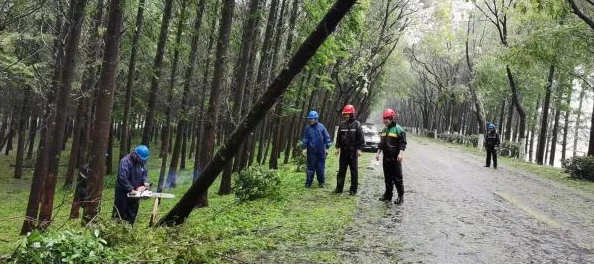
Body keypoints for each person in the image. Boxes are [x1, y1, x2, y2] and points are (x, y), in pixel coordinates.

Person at [112, 145, 150, 224]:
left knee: (132, 214)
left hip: (135, 194)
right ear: (135, 154)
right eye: (140, 159)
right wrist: (130, 189)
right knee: (120, 213)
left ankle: (129, 231)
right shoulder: (125, 161)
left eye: (142, 160)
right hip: (123, 193)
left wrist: (145, 183)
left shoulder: (142, 162)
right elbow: (122, 177)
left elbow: (144, 173)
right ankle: (115, 231)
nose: (141, 161)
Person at [376, 109, 407, 204]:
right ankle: (388, 195)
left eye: (387, 118)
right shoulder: (384, 130)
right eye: (384, 118)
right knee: (387, 178)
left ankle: (400, 197)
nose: (385, 120)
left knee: (397, 178)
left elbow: (402, 143)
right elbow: (381, 143)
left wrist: (400, 154)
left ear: (392, 118)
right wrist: (378, 153)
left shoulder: (399, 129)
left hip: (395, 158)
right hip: (386, 158)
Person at [334, 104, 365, 195]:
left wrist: (359, 149)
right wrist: (337, 148)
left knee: (354, 172)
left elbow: (361, 138)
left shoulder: (357, 125)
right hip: (343, 152)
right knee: (341, 171)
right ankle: (339, 189)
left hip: (353, 152)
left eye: (348, 114)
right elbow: (339, 138)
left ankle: (353, 190)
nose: (346, 116)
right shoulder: (342, 125)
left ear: (352, 114)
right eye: (345, 114)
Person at [301, 110, 332, 188]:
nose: (311, 120)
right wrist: (304, 148)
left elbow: (327, 137)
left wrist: (327, 147)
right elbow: (305, 138)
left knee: (320, 168)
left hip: (321, 151)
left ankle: (321, 183)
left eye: (312, 118)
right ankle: (308, 183)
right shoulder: (307, 128)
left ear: (316, 118)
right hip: (311, 152)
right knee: (310, 168)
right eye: (310, 119)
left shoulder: (321, 127)